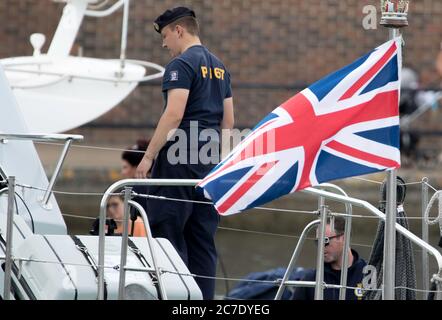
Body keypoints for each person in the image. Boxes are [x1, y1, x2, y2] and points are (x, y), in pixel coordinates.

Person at [135, 6, 234, 300]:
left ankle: (176, 299)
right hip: (208, 161)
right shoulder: (220, 67)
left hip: (179, 159)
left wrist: (149, 156)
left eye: (165, 36)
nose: (164, 44)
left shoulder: (181, 66)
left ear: (179, 30)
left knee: (168, 232)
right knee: (202, 239)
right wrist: (223, 163)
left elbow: (173, 115)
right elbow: (227, 122)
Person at [291, 216, 367, 300]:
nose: (321, 248)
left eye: (325, 241)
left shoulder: (368, 274)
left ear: (344, 238)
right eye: (318, 242)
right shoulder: (311, 280)